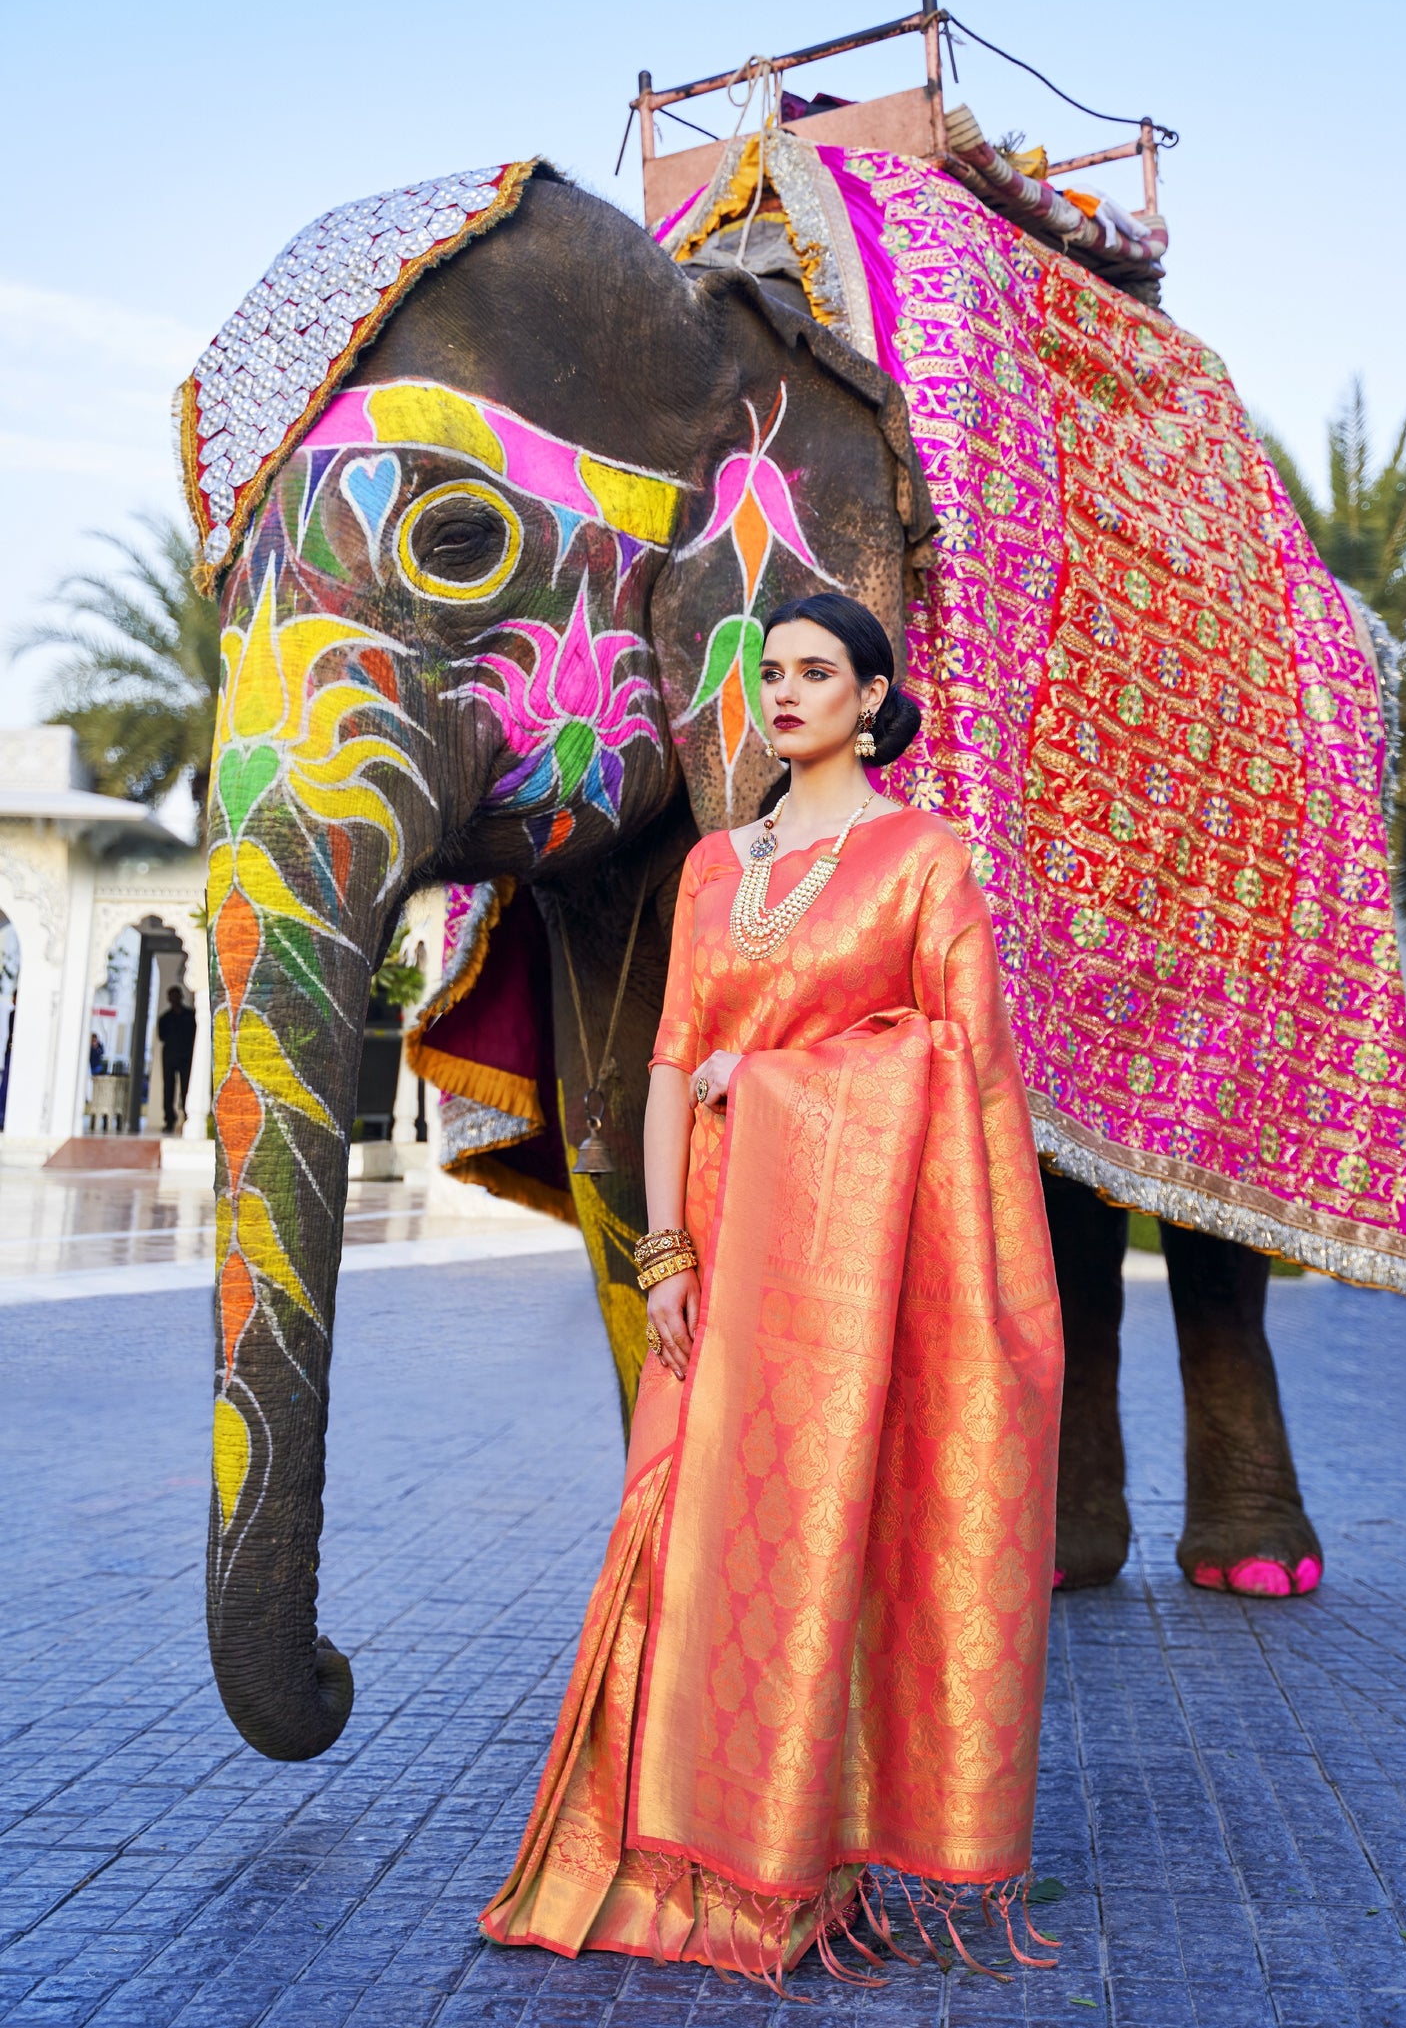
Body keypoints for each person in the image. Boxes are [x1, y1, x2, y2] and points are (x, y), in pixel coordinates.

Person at [483, 595, 1064, 1986]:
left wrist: (791, 1080)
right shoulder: (709, 872)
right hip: (713, 1255)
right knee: (677, 1533)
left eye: (818, 673)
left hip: (846, 1274)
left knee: (819, 1539)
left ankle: (789, 1870)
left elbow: (963, 1067)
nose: (786, 692)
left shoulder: (923, 859)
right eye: (771, 672)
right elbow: (675, 1055)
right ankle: (646, 1857)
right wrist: (663, 1249)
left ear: (872, 700)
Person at [156, 986, 196, 1135]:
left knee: (187, 1089)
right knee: (169, 1089)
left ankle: (187, 1117)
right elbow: (162, 1037)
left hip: (186, 1057)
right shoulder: (165, 1018)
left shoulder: (190, 1016)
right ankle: (169, 1120)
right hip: (170, 1058)